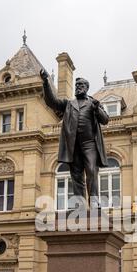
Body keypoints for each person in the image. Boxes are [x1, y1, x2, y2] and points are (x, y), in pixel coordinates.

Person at [40, 68, 109, 208]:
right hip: (73, 145)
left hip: (90, 144)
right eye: (77, 86)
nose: (78, 88)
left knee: (91, 171)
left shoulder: (93, 103)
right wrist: (46, 82)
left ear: (87, 88)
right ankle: (80, 206)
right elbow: (51, 102)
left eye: (81, 85)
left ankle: (94, 203)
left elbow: (105, 120)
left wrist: (97, 109)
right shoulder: (68, 104)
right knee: (76, 175)